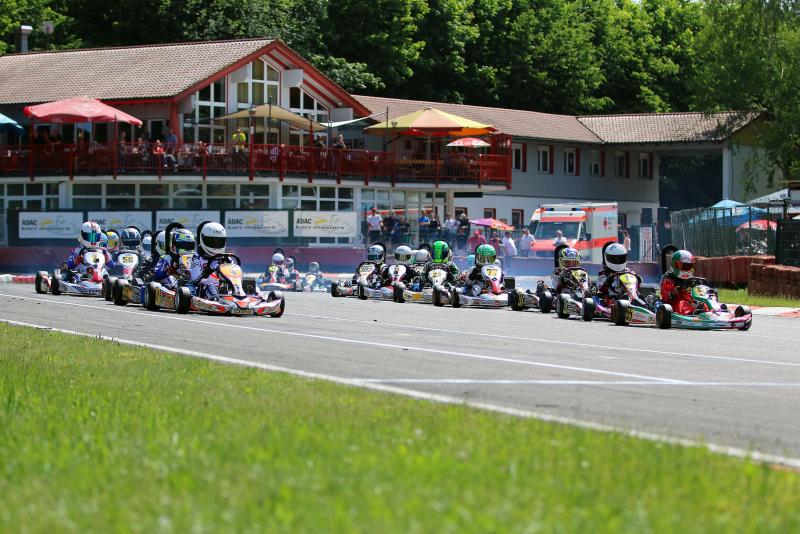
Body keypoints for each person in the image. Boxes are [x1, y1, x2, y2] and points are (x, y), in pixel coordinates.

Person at [659, 249, 707, 315]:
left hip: (691, 304)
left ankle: (708, 313)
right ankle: (691, 314)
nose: (686, 269)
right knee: (682, 303)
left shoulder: (693, 280)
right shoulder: (668, 279)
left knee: (704, 304)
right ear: (674, 265)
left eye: (688, 266)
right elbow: (665, 297)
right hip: (674, 306)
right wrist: (673, 293)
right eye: (683, 266)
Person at [190, 222, 229, 299]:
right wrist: (206, 273)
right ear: (203, 239)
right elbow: (195, 279)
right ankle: (216, 299)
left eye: (219, 242)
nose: (216, 245)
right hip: (203, 291)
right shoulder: (197, 258)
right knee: (211, 286)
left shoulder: (226, 259)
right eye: (212, 241)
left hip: (224, 290)